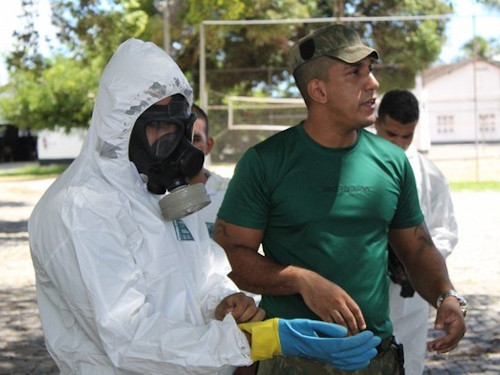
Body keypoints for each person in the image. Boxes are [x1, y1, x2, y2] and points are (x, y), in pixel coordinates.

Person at [28, 38, 381, 375]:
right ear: (122, 126)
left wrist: (225, 302)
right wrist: (258, 340)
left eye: (182, 129)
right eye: (161, 128)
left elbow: (202, 276)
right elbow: (127, 338)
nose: (177, 145)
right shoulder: (79, 208)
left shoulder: (159, 191)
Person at [214, 24, 467, 375]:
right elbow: (235, 257)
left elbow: (418, 247)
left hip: (375, 357)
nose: (373, 83)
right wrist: (302, 281)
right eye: (354, 73)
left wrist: (446, 296)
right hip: (293, 359)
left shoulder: (392, 162)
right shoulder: (266, 162)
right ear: (318, 90)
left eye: (371, 70)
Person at [375, 89, 459, 375]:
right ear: (376, 122)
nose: (399, 144)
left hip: (408, 297)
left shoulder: (429, 175)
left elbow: (445, 230)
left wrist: (412, 262)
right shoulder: (349, 163)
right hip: (360, 288)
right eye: (391, 134)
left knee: (407, 362)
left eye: (406, 136)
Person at [189, 103, 231, 238]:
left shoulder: (231, 193)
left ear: (208, 145)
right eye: (179, 138)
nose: (186, 147)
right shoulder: (147, 194)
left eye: (195, 139)